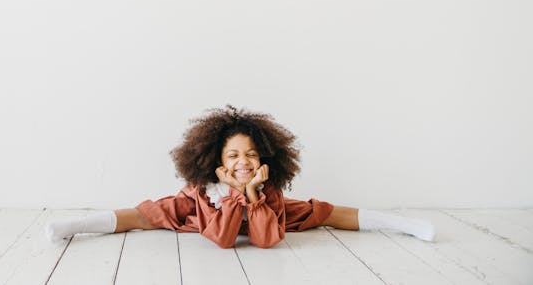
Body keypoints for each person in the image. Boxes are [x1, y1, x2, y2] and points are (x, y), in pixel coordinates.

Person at [45, 105, 435, 248]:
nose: (242, 161)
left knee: (324, 212)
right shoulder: (203, 189)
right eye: (233, 155)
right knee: (144, 215)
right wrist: (233, 194)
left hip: (263, 208)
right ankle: (74, 226)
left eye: (250, 154)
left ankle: (403, 224)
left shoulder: (270, 190)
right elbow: (222, 237)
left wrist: (251, 194)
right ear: (217, 160)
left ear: (264, 156)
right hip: (207, 212)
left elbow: (266, 240)